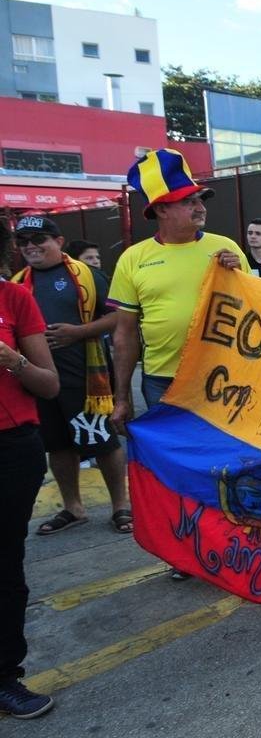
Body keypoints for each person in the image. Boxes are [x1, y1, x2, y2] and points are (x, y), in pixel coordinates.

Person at [108, 148, 248, 580]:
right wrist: (120, 399)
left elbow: (258, 318)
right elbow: (125, 334)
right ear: (161, 210)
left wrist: (237, 277)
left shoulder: (226, 248)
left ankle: (236, 543)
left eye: (199, 199)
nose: (199, 206)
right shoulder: (133, 259)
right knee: (178, 470)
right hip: (163, 383)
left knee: (231, 462)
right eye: (189, 201)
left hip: (225, 379)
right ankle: (189, 549)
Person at [9, 216, 131, 536]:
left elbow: (120, 316)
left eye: (39, 238)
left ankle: (121, 506)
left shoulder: (87, 275)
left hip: (85, 376)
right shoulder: (18, 281)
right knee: (58, 445)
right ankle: (73, 507)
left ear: (59, 241)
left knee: (102, 440)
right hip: (38, 380)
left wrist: (78, 332)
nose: (31, 246)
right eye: (23, 241)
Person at [0, 217, 60, 719]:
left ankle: (5, 677)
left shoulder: (14, 299)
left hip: (11, 446)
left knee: (4, 565)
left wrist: (12, 360)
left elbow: (49, 385)